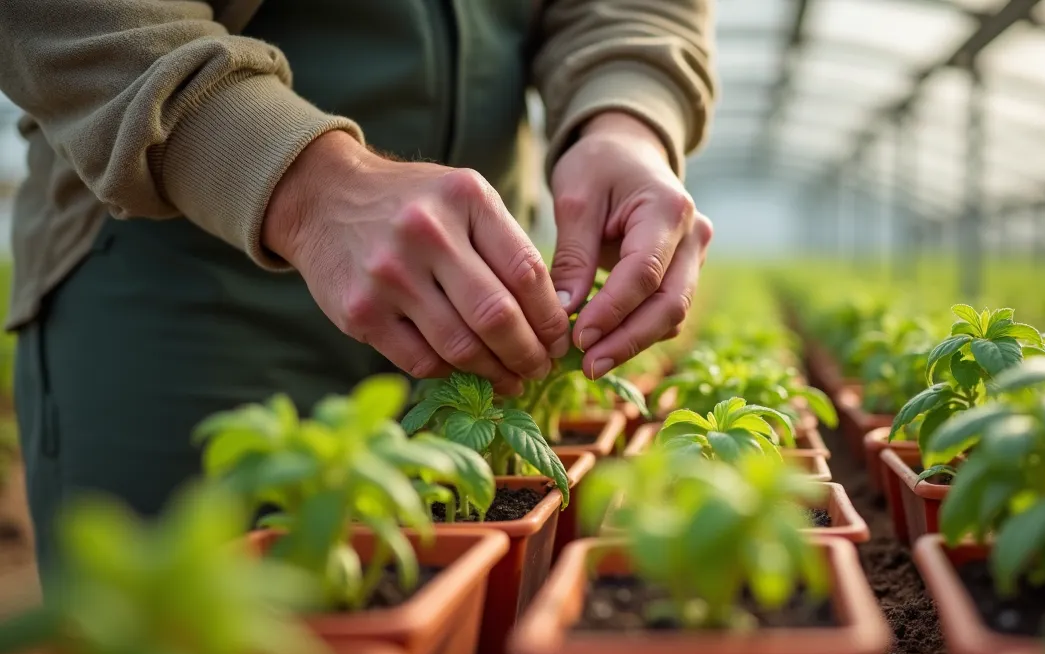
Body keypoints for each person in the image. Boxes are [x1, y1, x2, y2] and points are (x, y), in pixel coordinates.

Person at [0, 0, 715, 574]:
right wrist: (298, 181)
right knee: (195, 622)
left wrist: (626, 115)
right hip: (178, 273)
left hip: (474, 286)